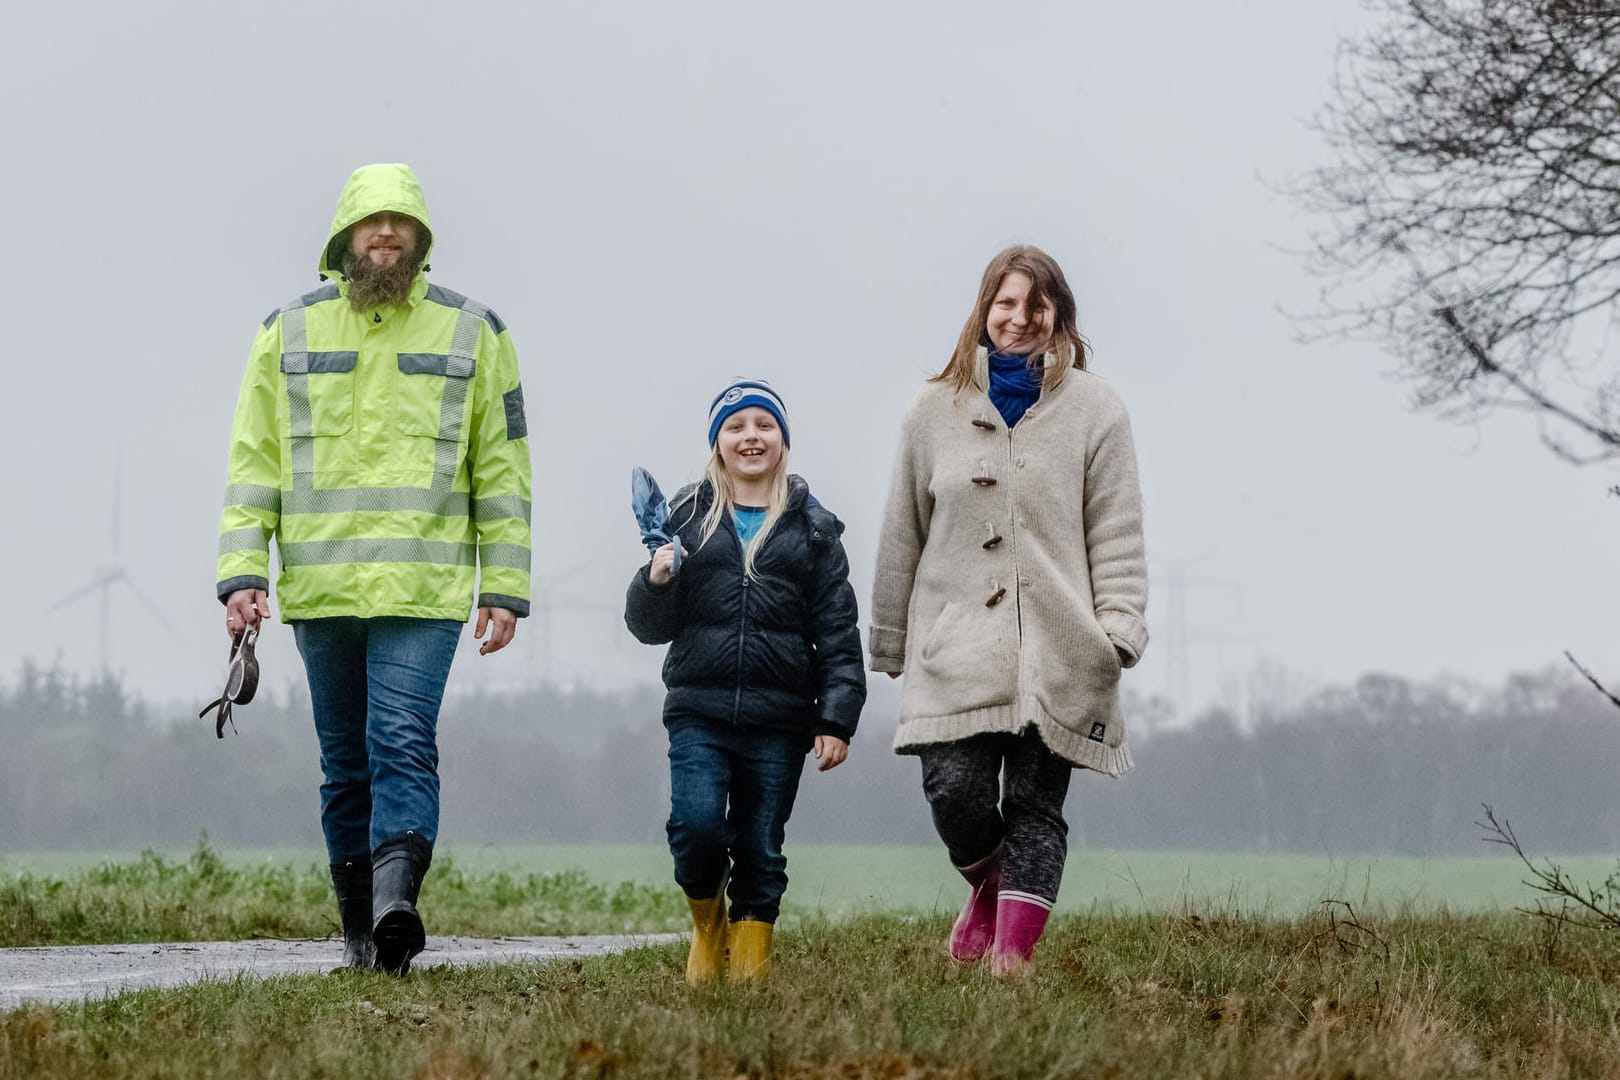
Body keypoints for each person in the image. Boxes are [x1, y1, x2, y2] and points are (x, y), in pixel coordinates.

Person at [214, 163, 532, 975]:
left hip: (423, 594)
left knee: (400, 739)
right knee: (344, 760)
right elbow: (254, 461)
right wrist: (243, 571)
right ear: (344, 237)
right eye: (370, 221)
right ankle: (362, 936)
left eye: (400, 221)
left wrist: (504, 584)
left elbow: (502, 470)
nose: (385, 233)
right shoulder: (285, 332)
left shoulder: (477, 333)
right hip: (321, 589)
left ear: (422, 238)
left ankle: (396, 907)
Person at [868, 245, 1147, 975]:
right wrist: (891, 638)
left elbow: (1115, 527)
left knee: (1035, 803)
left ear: (1059, 316)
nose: (1019, 319)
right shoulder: (932, 411)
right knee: (952, 788)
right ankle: (990, 893)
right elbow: (903, 529)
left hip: (1063, 646)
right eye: (1006, 304)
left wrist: (1116, 628)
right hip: (954, 644)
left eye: (1036, 305)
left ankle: (1010, 968)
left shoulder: (1099, 410)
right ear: (983, 311)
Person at [624, 380, 866, 984]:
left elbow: (839, 630)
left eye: (764, 424)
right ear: (718, 443)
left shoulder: (814, 530)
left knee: (761, 846)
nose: (750, 436)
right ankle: (709, 927)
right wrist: (655, 581)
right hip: (698, 711)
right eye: (735, 426)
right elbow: (647, 628)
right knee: (695, 827)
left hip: (780, 719)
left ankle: (750, 968)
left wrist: (835, 718)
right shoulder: (685, 519)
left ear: (783, 441)